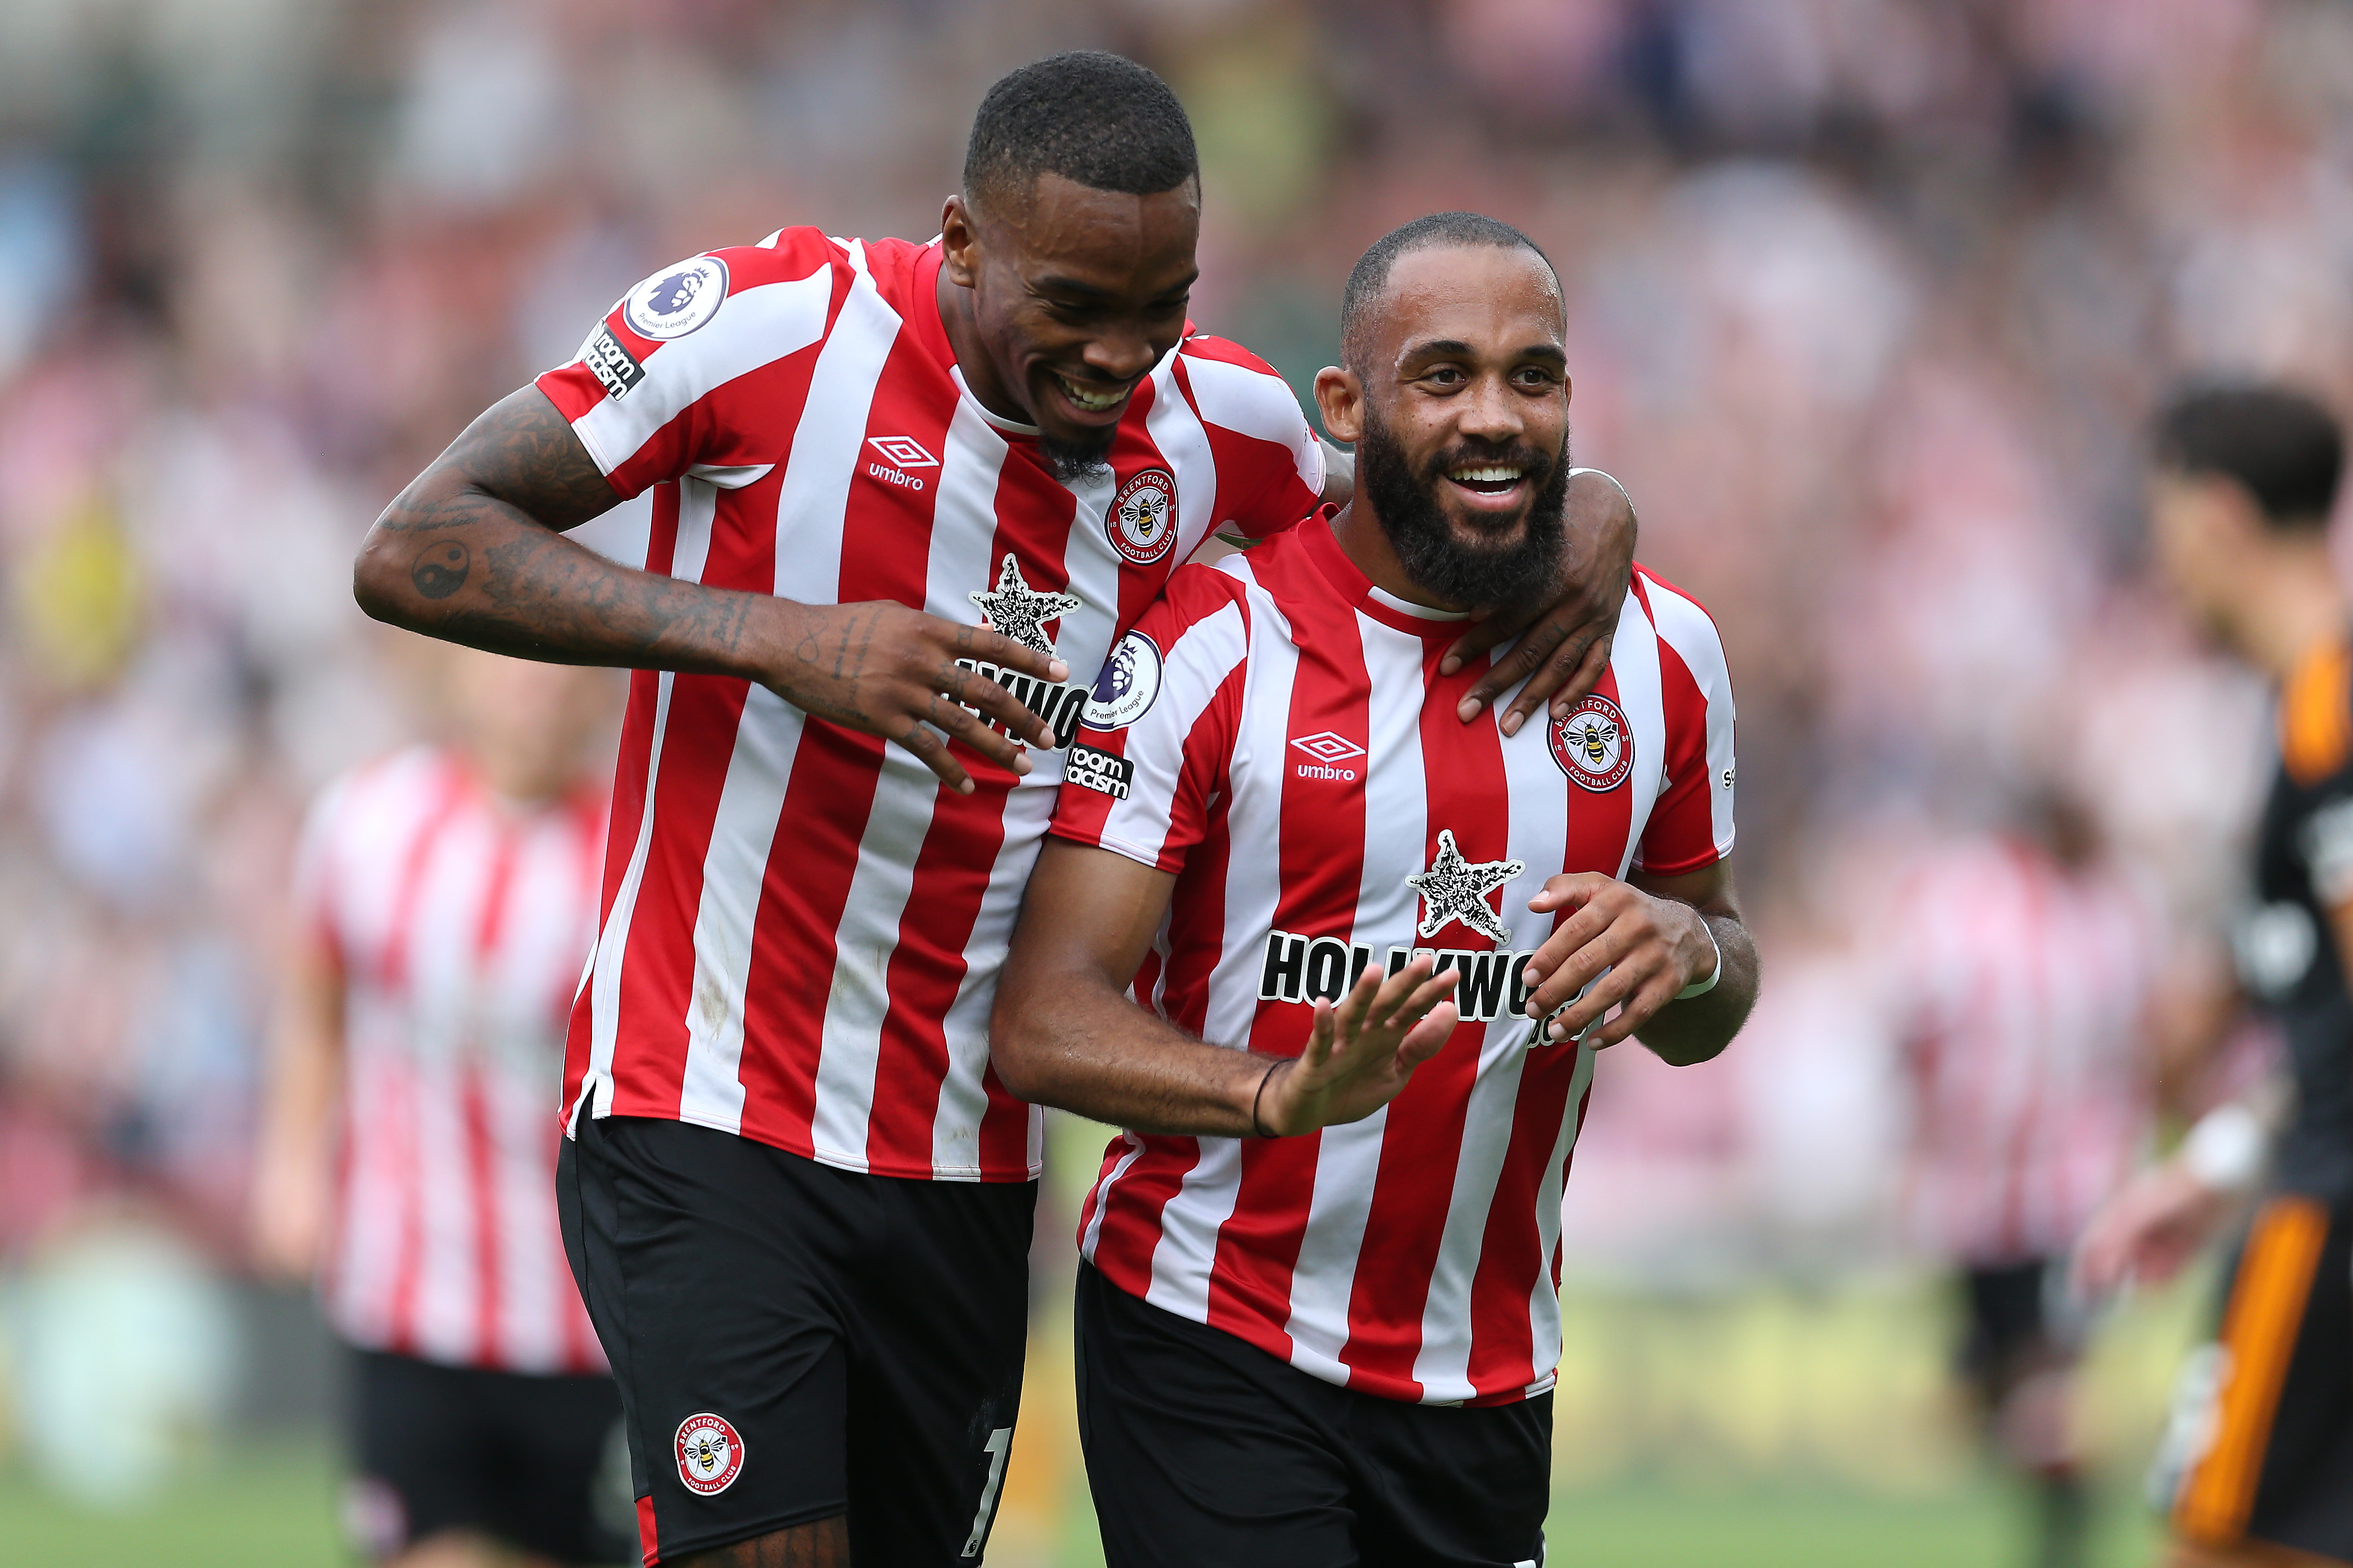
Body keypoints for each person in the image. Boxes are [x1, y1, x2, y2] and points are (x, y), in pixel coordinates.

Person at [351, 51, 1638, 1568]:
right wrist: (778, 636)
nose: (1117, 357)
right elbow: (418, 544)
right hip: (705, 1107)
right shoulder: (771, 329)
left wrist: (1593, 511)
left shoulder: (1216, 424)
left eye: (1159, 308)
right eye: (1074, 306)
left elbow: (1419, 510)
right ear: (961, 240)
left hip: (969, 1163)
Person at [989, 212, 1757, 1568]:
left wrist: (1688, 946)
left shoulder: (1663, 657)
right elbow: (1043, 1016)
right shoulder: (1215, 646)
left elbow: (1715, 995)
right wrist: (1276, 1094)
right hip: (1210, 1325)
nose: (1494, 416)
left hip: (1489, 1372)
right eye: (1443, 375)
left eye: (1532, 376)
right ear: (1344, 406)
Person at [251, 645, 629, 1568]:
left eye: (567, 670)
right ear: (457, 670)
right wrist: (291, 1167)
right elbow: (315, 1001)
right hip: (406, 1298)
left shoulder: (632, 859)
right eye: (515, 663)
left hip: (584, 1319)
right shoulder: (368, 822)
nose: (540, 688)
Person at [2076, 382, 2353, 1568]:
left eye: (2166, 524)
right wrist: (2220, 1162)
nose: (2164, 564)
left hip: (2329, 1228)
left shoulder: (2330, 716)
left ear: (2219, 517)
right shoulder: (2304, 711)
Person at [1886, 787, 2168, 1568]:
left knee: (2050, 1383)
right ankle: (2011, 1414)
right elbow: (1915, 1033)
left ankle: (2061, 1536)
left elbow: (2145, 1045)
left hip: (2075, 1194)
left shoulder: (2112, 913)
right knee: (2002, 1394)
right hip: (1983, 1201)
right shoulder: (1971, 904)